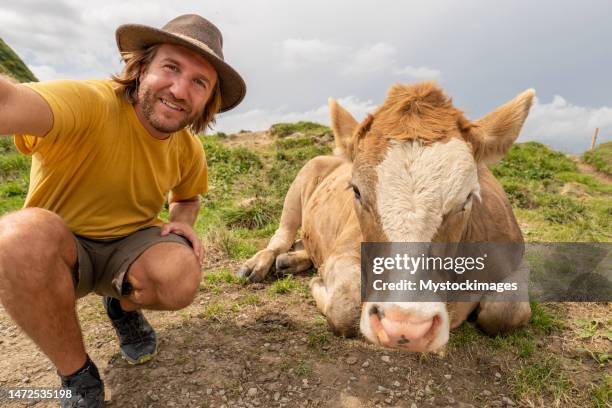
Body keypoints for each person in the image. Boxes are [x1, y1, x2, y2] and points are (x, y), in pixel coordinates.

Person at [0, 14, 245, 407]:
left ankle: (122, 303)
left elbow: (187, 197)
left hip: (130, 248)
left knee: (181, 274)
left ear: (208, 100)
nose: (180, 90)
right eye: (171, 67)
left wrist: (181, 225)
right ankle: (77, 375)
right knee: (15, 238)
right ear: (142, 67)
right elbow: (8, 102)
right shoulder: (88, 102)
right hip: (63, 251)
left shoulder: (187, 147)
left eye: (199, 82)